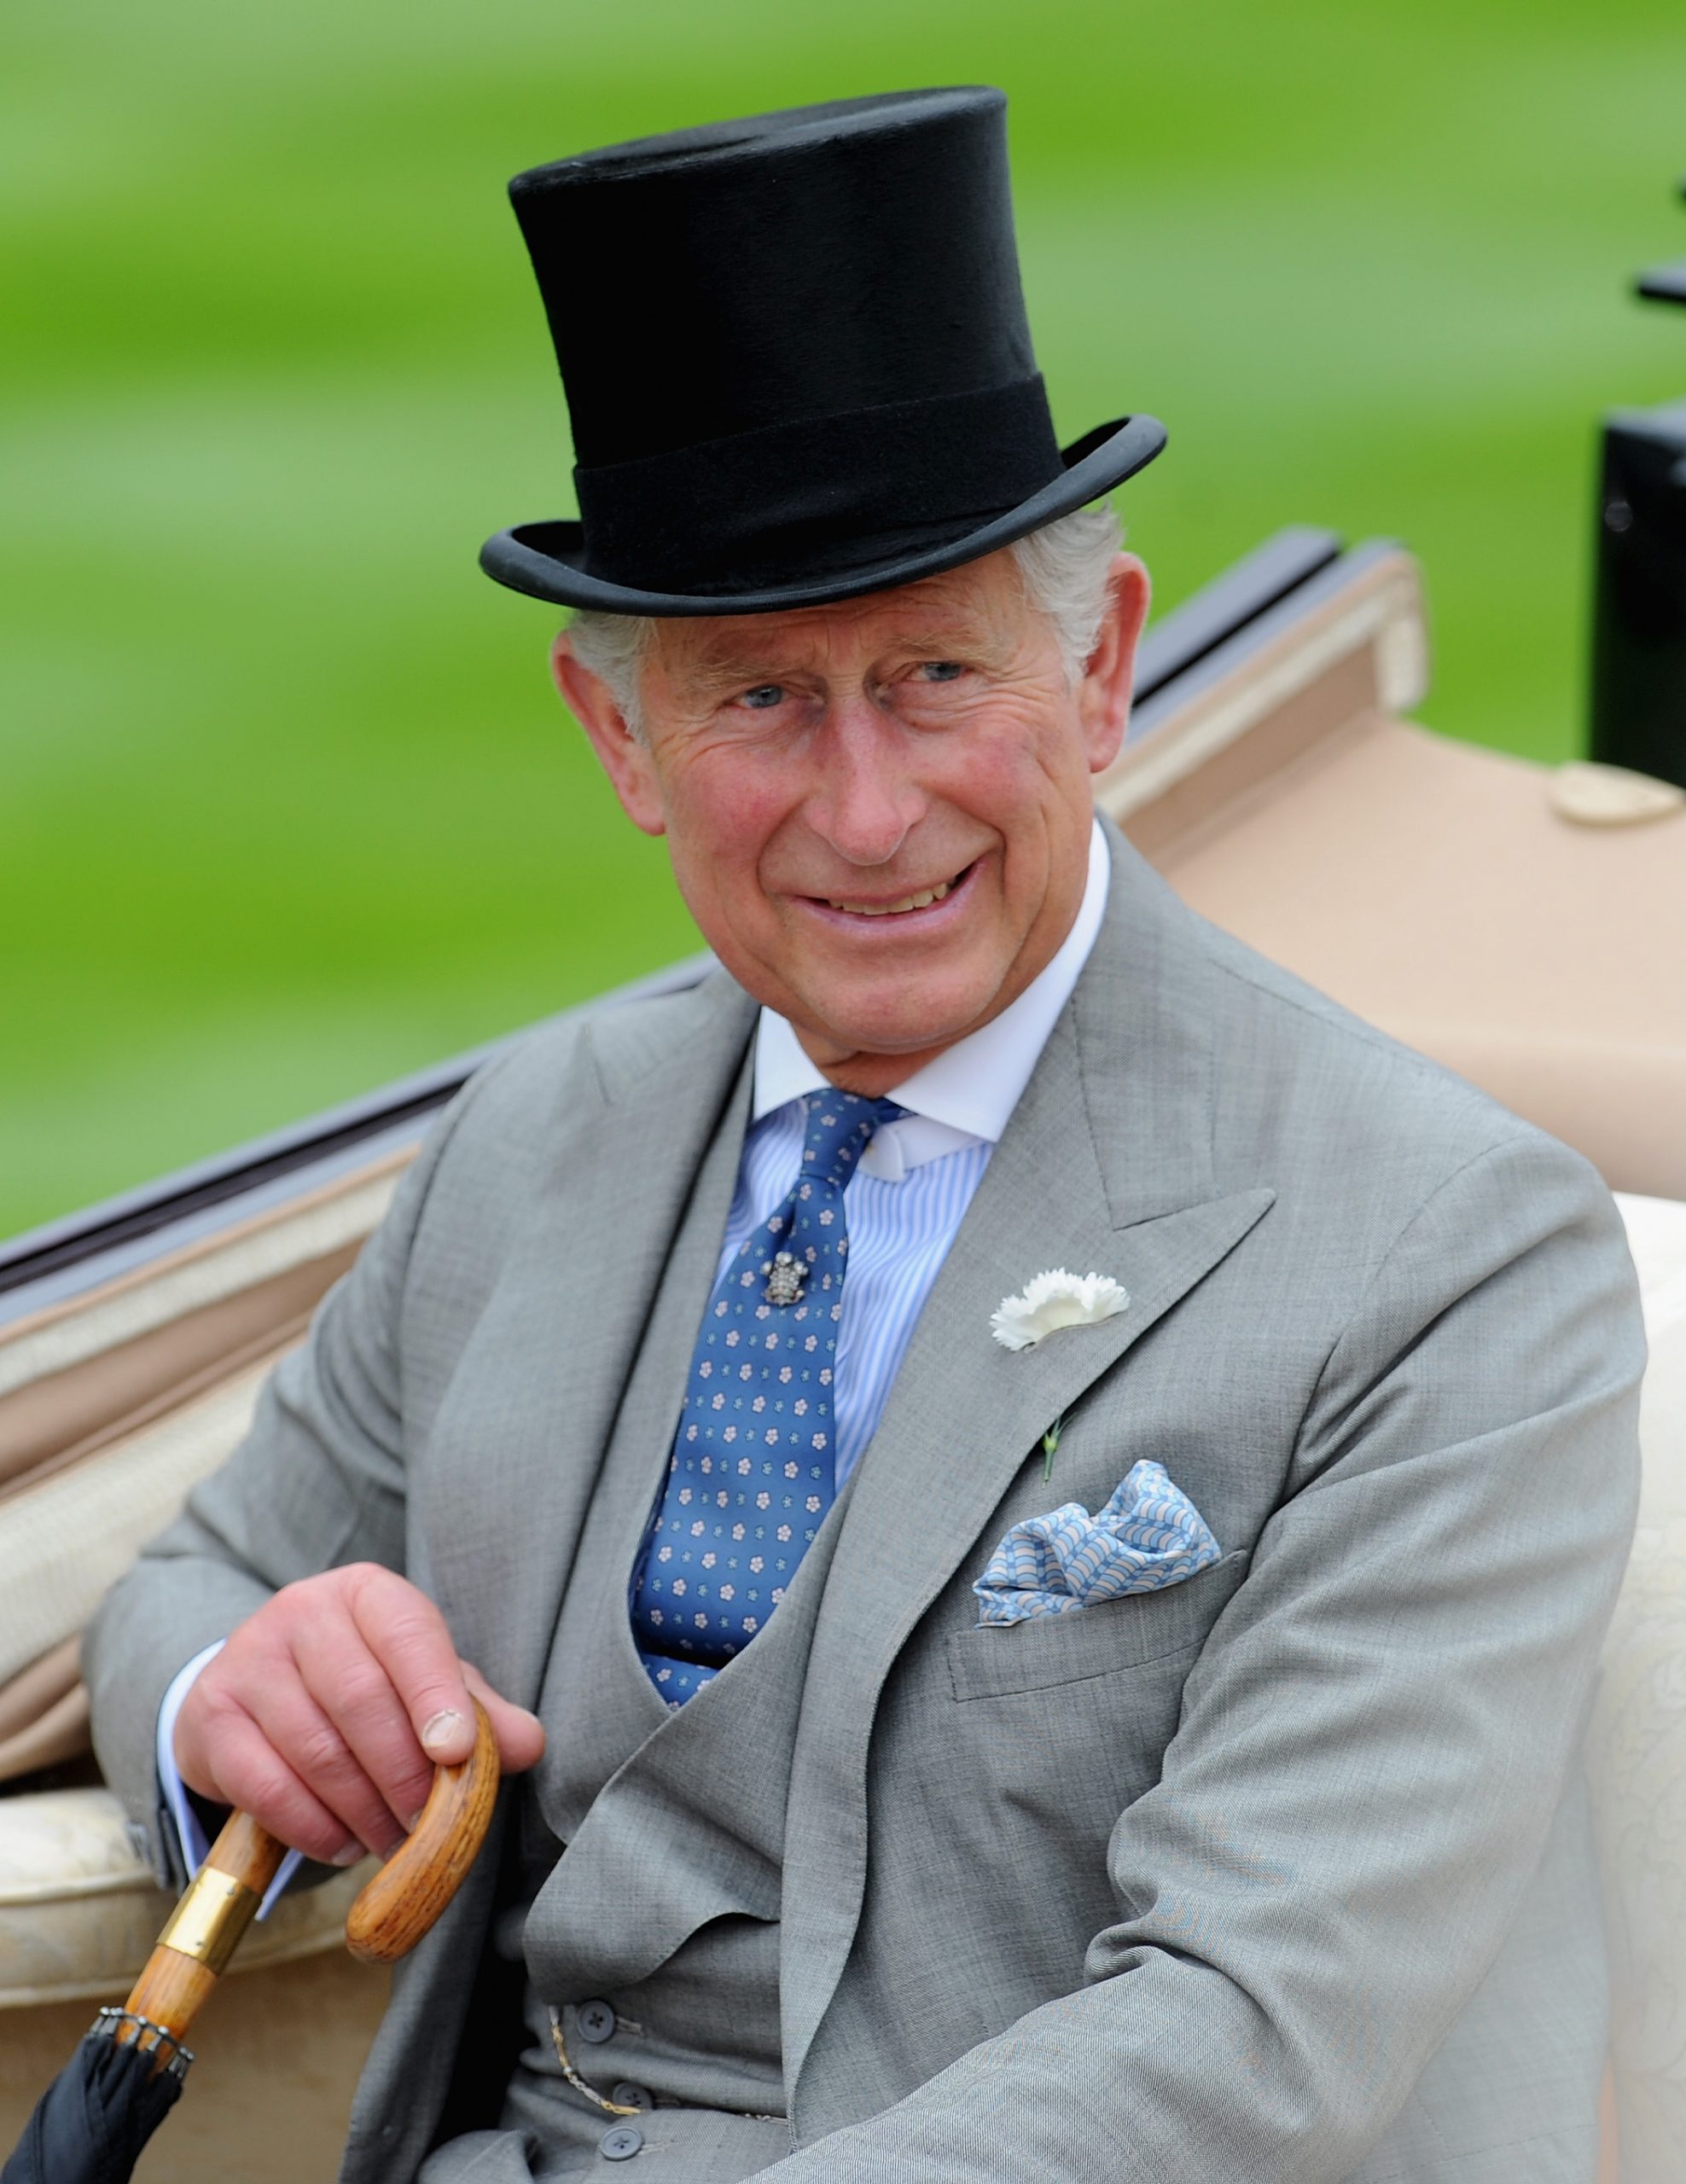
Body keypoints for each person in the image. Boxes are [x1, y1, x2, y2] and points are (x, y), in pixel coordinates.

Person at [85, 89, 1644, 2184]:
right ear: (613, 736)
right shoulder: (541, 1127)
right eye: (756, 699)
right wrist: (233, 1703)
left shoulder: (1447, 1249)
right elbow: (208, 1573)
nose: (868, 806)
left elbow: (1248, 2028)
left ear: (1098, 668)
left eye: (931, 674)